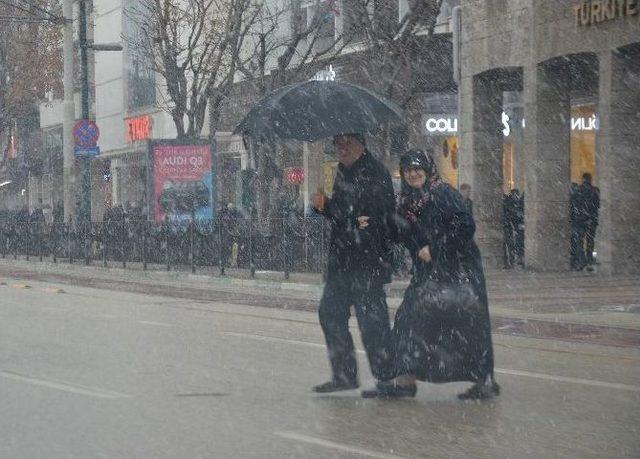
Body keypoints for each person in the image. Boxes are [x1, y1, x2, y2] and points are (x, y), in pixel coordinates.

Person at [362, 149, 499, 400]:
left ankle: (483, 381)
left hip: (459, 270)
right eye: (408, 170)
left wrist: (436, 249)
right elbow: (401, 233)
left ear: (427, 171)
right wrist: (373, 222)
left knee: (465, 325)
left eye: (418, 169)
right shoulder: (407, 202)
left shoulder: (443, 194)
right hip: (428, 273)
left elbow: (465, 225)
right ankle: (404, 381)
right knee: (408, 319)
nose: (413, 174)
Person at [311, 133, 395, 393]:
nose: (341, 148)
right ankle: (344, 374)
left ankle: (386, 378)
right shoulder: (342, 172)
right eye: (337, 143)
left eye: (346, 143)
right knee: (330, 313)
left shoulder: (374, 173)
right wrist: (324, 207)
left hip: (368, 260)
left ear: (360, 144)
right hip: (343, 261)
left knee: (373, 322)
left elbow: (367, 219)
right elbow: (348, 217)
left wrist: (330, 209)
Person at [579, 173, 599, 270]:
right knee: (590, 241)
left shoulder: (579, 190)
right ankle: (589, 259)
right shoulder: (595, 190)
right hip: (591, 219)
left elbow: (576, 204)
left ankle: (582, 260)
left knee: (580, 241)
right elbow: (598, 205)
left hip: (582, 219)